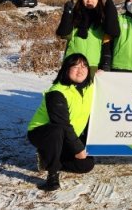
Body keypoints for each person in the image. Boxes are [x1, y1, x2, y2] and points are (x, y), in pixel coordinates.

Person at [27, 53, 95, 191]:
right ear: (66, 69)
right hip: (42, 133)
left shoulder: (89, 88)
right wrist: (78, 149)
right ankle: (52, 174)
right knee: (57, 130)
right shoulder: (57, 92)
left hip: (65, 135)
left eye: (84, 66)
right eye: (75, 66)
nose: (80, 70)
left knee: (86, 164)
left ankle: (48, 159)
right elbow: (62, 124)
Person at [55, 0, 119, 75]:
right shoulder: (74, 18)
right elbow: (63, 33)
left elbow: (107, 44)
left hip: (93, 66)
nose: (89, 0)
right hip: (73, 65)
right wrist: (67, 14)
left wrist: (110, 10)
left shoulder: (103, 20)